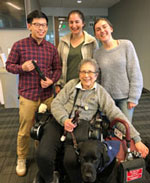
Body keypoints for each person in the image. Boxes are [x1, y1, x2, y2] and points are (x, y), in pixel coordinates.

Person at [35, 58, 148, 183]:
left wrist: (136, 138)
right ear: (79, 74)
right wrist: (64, 119)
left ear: (96, 75)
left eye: (90, 72)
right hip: (58, 121)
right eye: (83, 72)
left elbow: (115, 114)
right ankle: (50, 178)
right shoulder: (71, 85)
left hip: (80, 128)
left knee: (71, 160)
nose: (86, 75)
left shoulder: (100, 92)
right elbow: (56, 104)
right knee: (43, 155)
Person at [6, 10, 61, 177]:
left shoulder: (51, 48)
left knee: (48, 128)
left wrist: (51, 80)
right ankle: (22, 158)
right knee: (25, 130)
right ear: (29, 26)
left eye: (44, 25)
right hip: (28, 95)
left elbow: (57, 69)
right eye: (37, 25)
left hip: (47, 96)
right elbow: (9, 65)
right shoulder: (19, 45)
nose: (41, 29)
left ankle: (42, 155)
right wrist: (22, 67)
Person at [93, 18, 143, 123]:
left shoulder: (126, 45)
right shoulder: (97, 53)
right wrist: (98, 98)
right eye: (98, 29)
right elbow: (98, 79)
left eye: (104, 27)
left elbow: (135, 72)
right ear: (96, 35)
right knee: (109, 130)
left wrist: (134, 97)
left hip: (125, 98)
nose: (102, 31)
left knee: (125, 129)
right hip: (107, 99)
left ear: (111, 29)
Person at [56, 10, 98, 93]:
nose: (74, 25)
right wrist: (58, 84)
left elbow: (96, 66)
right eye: (71, 22)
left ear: (83, 23)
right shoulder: (63, 41)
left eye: (77, 22)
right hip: (66, 86)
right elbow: (58, 64)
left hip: (86, 86)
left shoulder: (91, 41)